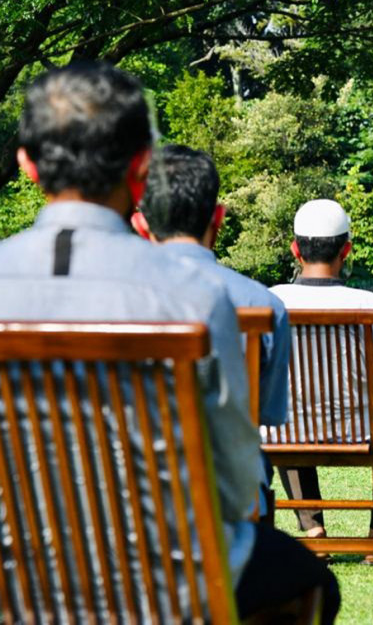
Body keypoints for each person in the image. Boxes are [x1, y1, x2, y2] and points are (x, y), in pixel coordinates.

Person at [0, 62, 338, 623]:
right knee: (312, 581)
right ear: (143, 166)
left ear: (26, 164)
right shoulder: (193, 294)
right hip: (170, 583)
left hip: (25, 581)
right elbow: (240, 482)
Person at [137, 143, 292, 516]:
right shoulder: (264, 305)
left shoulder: (108, 303)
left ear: (141, 225)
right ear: (218, 218)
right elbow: (266, 414)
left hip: (134, 505)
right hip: (232, 508)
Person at [270, 199, 373, 565]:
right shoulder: (371, 303)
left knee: (285, 412)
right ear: (347, 249)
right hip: (358, 426)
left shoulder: (271, 300)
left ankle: (313, 532)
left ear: (295, 249)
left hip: (287, 429)